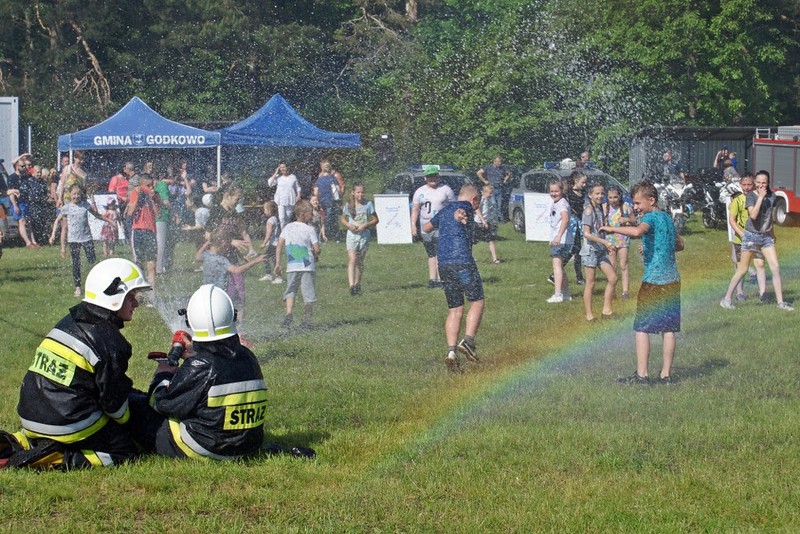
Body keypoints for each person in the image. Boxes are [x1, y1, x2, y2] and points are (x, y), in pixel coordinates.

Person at [0, 258, 156, 469]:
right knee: (124, 450)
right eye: (131, 297)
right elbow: (114, 405)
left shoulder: (70, 320)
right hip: (64, 421)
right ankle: (56, 458)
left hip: (30, 415)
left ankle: (25, 441)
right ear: (114, 297)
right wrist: (133, 421)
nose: (136, 303)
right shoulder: (111, 342)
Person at [146, 284, 268, 460]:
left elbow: (161, 403)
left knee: (142, 411)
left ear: (190, 321)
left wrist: (163, 374)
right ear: (232, 316)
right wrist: (194, 356)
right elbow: (218, 367)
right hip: (249, 445)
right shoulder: (248, 356)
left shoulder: (199, 365)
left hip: (210, 448)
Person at [600, 181, 684, 384]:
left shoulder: (650, 217)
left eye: (638, 203)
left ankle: (642, 375)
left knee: (642, 327)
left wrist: (612, 228)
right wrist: (653, 247)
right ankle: (666, 375)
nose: (635, 207)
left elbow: (638, 232)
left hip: (654, 281)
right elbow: (680, 244)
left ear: (651, 200)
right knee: (668, 329)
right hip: (672, 280)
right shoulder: (666, 217)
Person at [423, 183, 484, 372]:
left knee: (455, 309)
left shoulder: (444, 210)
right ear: (474, 199)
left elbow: (426, 227)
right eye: (478, 203)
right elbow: (461, 212)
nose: (477, 207)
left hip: (443, 264)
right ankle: (468, 342)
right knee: (477, 301)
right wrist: (460, 216)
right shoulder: (466, 207)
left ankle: (451, 353)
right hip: (462, 260)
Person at [721, 170, 793, 311]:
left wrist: (772, 234)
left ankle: (780, 303)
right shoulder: (751, 196)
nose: (761, 185)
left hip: (765, 237)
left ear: (768, 183)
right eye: (758, 182)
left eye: (764, 183)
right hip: (750, 236)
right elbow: (753, 215)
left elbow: (768, 218)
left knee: (775, 268)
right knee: (742, 269)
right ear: (755, 183)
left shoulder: (772, 196)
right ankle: (727, 299)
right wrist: (760, 197)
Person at [205, 183, 257, 318]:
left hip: (233, 258)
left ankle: (239, 326)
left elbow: (242, 231)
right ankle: (219, 319)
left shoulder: (234, 213)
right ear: (227, 196)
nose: (238, 202)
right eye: (236, 199)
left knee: (239, 292)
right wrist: (230, 242)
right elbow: (208, 235)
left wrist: (246, 252)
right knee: (221, 293)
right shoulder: (216, 211)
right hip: (218, 260)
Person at [274, 200, 320, 329]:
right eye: (310, 213)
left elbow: (279, 245)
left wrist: (278, 263)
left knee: (291, 291)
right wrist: (316, 254)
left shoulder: (287, 227)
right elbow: (317, 249)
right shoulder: (310, 229)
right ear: (302, 214)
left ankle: (289, 313)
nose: (312, 215)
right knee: (308, 294)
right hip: (307, 266)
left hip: (292, 266)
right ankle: (307, 320)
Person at [49, 184, 102, 297]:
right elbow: (57, 221)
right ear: (69, 194)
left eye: (78, 194)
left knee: (92, 259)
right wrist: (52, 235)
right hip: (73, 239)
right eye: (74, 194)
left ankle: (96, 283)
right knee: (76, 263)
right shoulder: (67, 208)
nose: (76, 196)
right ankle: (77, 287)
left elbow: (97, 215)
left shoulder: (85, 205)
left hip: (86, 237)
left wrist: (110, 221)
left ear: (81, 194)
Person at [411, 165, 456, 288]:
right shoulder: (420, 191)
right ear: (425, 178)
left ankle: (442, 279)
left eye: (435, 176)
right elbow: (415, 209)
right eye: (430, 176)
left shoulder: (446, 190)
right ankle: (432, 280)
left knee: (440, 253)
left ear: (438, 176)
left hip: (441, 225)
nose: (433, 179)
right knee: (431, 254)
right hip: (425, 225)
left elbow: (454, 208)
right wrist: (413, 225)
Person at [726, 175, 767, 302]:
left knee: (760, 264)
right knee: (741, 268)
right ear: (740, 185)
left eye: (749, 184)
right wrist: (742, 234)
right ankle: (740, 293)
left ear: (753, 184)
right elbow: (732, 221)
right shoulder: (737, 201)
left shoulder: (758, 198)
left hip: (757, 238)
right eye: (744, 185)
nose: (746, 187)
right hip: (741, 240)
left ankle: (763, 293)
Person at [580, 183, 617, 321]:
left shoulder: (600, 209)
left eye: (602, 193)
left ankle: (606, 310)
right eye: (597, 193)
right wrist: (605, 242)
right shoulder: (588, 211)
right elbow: (586, 234)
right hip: (590, 250)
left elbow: (599, 229)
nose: (600, 196)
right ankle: (589, 315)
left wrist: (605, 242)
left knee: (613, 278)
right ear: (590, 195)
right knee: (590, 283)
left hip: (600, 250)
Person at [125, 173, 162, 303]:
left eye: (152, 185)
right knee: (138, 263)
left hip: (150, 231)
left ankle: (152, 295)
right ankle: (139, 293)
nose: (151, 188)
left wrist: (153, 199)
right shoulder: (136, 193)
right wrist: (138, 195)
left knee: (151, 265)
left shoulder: (155, 195)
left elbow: (158, 214)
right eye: (148, 186)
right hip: (138, 231)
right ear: (141, 185)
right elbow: (130, 212)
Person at [341, 183, 379, 295]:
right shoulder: (348, 205)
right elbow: (343, 219)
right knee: (352, 259)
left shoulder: (368, 204)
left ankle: (357, 284)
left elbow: (376, 219)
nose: (360, 194)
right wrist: (349, 225)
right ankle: (351, 286)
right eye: (358, 192)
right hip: (352, 235)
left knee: (359, 260)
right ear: (353, 193)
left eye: (362, 192)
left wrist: (365, 225)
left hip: (364, 235)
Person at [604, 185, 634, 301]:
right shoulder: (605, 207)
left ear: (620, 196)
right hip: (610, 239)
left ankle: (625, 291)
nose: (613, 200)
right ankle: (612, 290)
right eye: (610, 197)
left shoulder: (626, 207)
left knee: (623, 264)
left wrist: (627, 219)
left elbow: (634, 220)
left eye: (615, 197)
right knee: (612, 265)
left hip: (623, 238)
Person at [547, 179, 573, 304]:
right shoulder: (558, 202)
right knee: (561, 267)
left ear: (562, 191)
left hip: (561, 240)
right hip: (565, 239)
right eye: (551, 191)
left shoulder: (562, 204)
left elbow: (565, 219)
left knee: (556, 266)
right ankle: (566, 293)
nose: (554, 193)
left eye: (556, 191)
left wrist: (558, 236)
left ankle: (558, 294)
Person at [7, 154, 40, 248]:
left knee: (28, 221)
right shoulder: (12, 177)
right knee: (21, 221)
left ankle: (33, 241)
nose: (24, 167)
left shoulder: (25, 176)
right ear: (17, 166)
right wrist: (15, 205)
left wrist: (27, 158)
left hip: (24, 202)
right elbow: (10, 193)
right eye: (22, 166)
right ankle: (28, 243)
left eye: (25, 166)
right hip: (17, 203)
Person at [477, 156, 512, 221]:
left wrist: (505, 180)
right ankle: (493, 218)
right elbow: (478, 173)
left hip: (500, 189)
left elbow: (509, 173)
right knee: (493, 204)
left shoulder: (502, 168)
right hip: (491, 190)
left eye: (500, 161)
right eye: (498, 161)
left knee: (499, 205)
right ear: (494, 161)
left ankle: (499, 219)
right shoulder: (488, 167)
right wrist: (484, 181)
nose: (499, 163)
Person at [268, 162, 301, 229]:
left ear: (287, 168)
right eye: (281, 168)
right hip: (280, 201)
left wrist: (298, 195)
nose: (282, 169)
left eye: (284, 167)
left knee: (288, 218)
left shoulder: (293, 177)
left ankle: (286, 232)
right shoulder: (278, 177)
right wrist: (276, 172)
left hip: (290, 200)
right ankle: (282, 233)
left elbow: (297, 187)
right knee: (282, 218)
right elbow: (270, 183)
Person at [313, 160, 340, 242]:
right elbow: (338, 189)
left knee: (322, 219)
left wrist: (316, 200)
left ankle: (323, 235)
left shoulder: (319, 179)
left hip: (322, 201)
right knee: (332, 219)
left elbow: (315, 192)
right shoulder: (333, 178)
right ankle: (333, 236)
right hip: (331, 201)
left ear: (323, 169)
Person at [475, 183, 501, 264]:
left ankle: (495, 259)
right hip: (478, 222)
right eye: (490, 193)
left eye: (492, 193)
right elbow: (477, 209)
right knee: (472, 241)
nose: (491, 195)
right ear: (484, 192)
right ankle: (470, 257)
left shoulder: (489, 199)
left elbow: (490, 211)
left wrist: (492, 221)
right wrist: (483, 220)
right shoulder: (481, 199)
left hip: (487, 223)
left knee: (491, 240)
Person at [258, 200, 281, 283]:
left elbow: (269, 233)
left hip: (274, 244)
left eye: (265, 209)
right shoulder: (276, 219)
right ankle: (275, 276)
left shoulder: (270, 220)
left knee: (265, 257)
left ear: (270, 211)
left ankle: (274, 276)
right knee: (274, 259)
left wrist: (264, 243)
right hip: (277, 243)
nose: (264, 211)